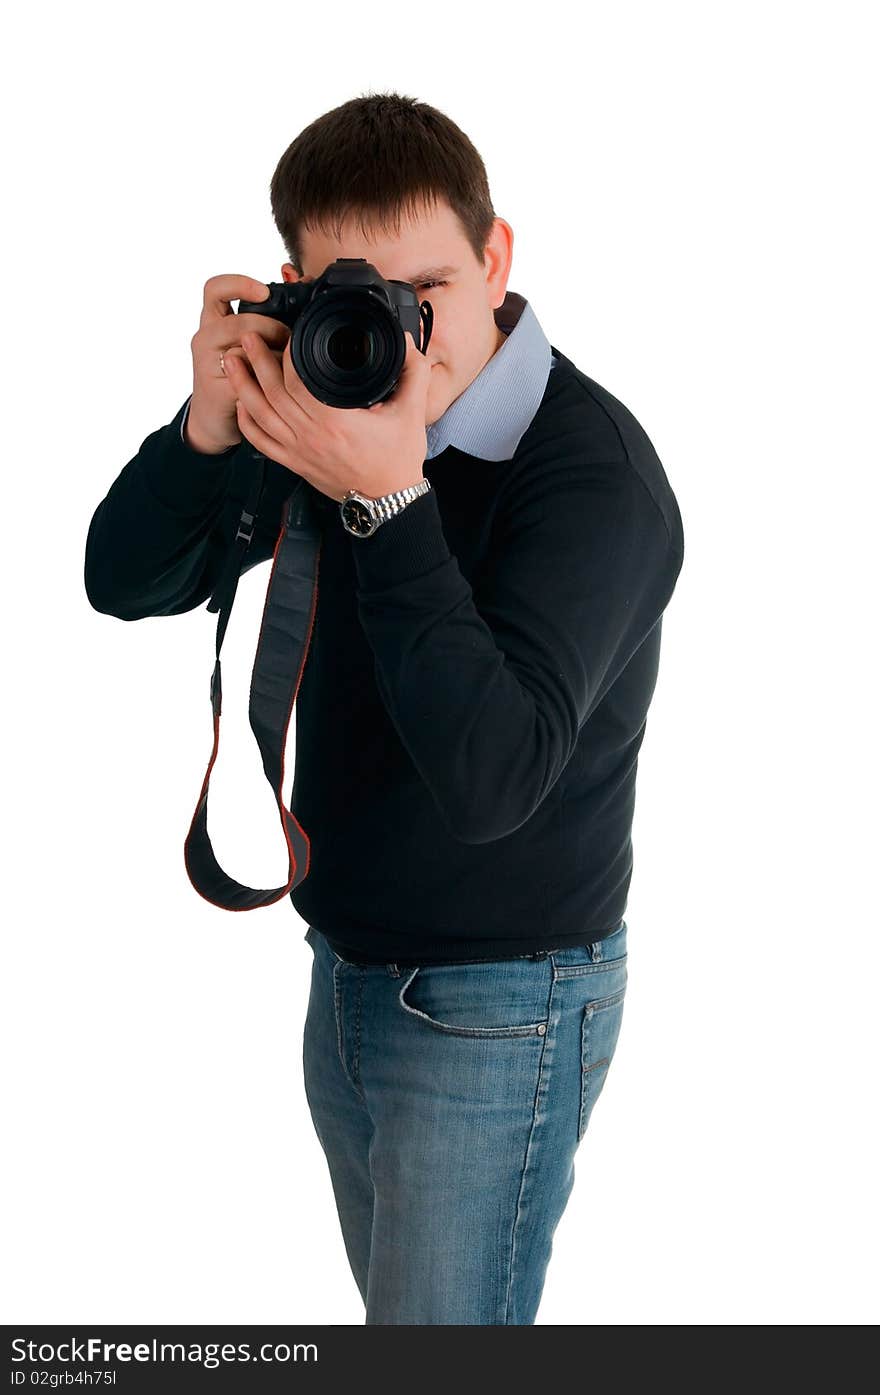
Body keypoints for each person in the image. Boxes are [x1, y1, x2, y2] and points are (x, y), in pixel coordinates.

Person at [84, 91, 685, 1324]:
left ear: (496, 257)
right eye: (367, 303)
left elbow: (492, 780)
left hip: (502, 1006)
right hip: (347, 971)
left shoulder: (595, 478)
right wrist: (207, 431)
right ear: (299, 286)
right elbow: (124, 582)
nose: (405, 346)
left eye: (434, 295)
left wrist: (391, 504)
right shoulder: (329, 393)